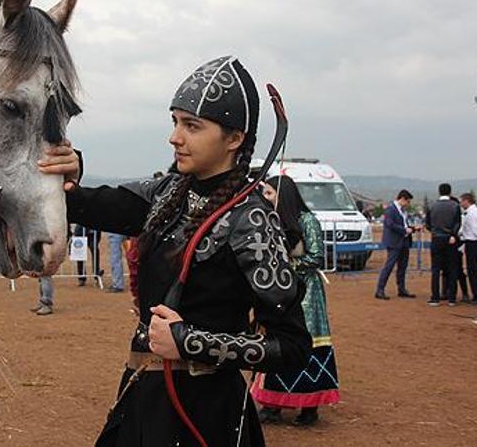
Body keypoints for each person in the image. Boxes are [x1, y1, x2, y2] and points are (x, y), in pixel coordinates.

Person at [39, 55, 311, 446]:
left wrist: (189, 342)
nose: (175, 137)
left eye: (192, 126)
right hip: (142, 401)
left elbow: (293, 347)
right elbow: (86, 203)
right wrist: (70, 170)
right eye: (175, 122)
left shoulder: (253, 220)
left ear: (234, 139)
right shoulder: (167, 193)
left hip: (207, 417)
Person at [253, 175, 339, 426]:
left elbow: (315, 257)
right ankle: (272, 405)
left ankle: (309, 407)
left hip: (305, 295)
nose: (265, 198)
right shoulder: (269, 221)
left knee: (306, 344)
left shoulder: (307, 221)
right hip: (278, 293)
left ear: (283, 195)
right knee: (273, 343)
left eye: (269, 193)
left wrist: (287, 265)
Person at [375, 189, 418, 300]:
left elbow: (404, 224)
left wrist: (411, 229)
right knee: (389, 266)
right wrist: (404, 230)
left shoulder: (403, 211)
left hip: (404, 241)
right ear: (403, 199)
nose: (408, 204)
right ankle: (380, 289)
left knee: (402, 267)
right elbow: (389, 224)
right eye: (408, 202)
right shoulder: (391, 209)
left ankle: (402, 289)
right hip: (394, 242)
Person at [425, 183, 462, 306]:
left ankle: (435, 297)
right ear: (450, 192)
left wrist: (435, 232)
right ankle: (452, 298)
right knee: (452, 268)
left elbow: (428, 224)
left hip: (436, 238)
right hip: (450, 240)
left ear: (439, 192)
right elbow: (458, 223)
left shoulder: (432, 206)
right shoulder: (455, 206)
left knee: (435, 269)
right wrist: (452, 234)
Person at [460, 193, 477, 305]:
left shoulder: (472, 214)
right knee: (474, 271)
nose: (461, 204)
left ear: (467, 201)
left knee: (473, 271)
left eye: (461, 201)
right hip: (475, 243)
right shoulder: (475, 212)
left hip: (474, 243)